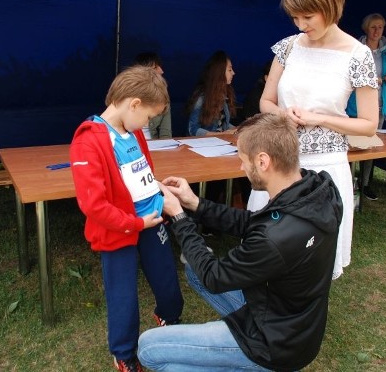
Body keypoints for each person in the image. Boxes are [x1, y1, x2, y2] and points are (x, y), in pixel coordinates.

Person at [137, 113, 342, 371]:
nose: (241, 168)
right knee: (193, 267)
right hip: (294, 324)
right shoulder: (318, 188)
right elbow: (252, 222)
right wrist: (194, 203)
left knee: (148, 349)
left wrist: (178, 215)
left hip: (273, 345)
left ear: (263, 161)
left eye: (243, 160)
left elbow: (214, 276)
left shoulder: (274, 239)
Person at [251, 0, 379, 280]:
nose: (301, 25)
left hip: (324, 167)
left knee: (312, 255)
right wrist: (284, 115)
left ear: (331, 6)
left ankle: (301, 319)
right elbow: (265, 102)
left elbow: (369, 125)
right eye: (295, 18)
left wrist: (319, 118)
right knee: (267, 245)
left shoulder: (358, 55)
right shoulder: (288, 46)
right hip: (280, 157)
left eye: (308, 16)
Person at [70, 65, 184, 372]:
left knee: (167, 281)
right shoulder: (88, 140)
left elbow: (140, 170)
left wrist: (157, 189)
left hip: (151, 222)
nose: (148, 123)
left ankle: (169, 320)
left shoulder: (133, 132)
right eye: (149, 117)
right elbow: (93, 205)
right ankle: (124, 355)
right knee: (123, 296)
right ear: (133, 104)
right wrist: (134, 223)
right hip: (119, 230)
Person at [346, 13, 386, 200]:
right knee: (353, 146)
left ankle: (365, 184)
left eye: (381, 27)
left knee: (372, 147)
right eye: (374, 27)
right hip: (356, 106)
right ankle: (349, 182)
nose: (377, 31)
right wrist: (367, 81)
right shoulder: (355, 49)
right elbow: (347, 76)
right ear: (366, 28)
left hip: (378, 105)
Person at [186, 50, 238, 136]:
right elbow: (192, 129)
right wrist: (222, 134)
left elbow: (221, 125)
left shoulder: (224, 95)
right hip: (205, 145)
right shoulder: (202, 97)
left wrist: (237, 129)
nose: (233, 72)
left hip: (221, 142)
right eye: (230, 69)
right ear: (219, 72)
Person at [133, 52, 172, 139]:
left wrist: (166, 149)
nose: (161, 71)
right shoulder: (128, 96)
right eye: (155, 68)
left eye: (160, 66)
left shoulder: (163, 96)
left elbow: (165, 133)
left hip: (154, 147)